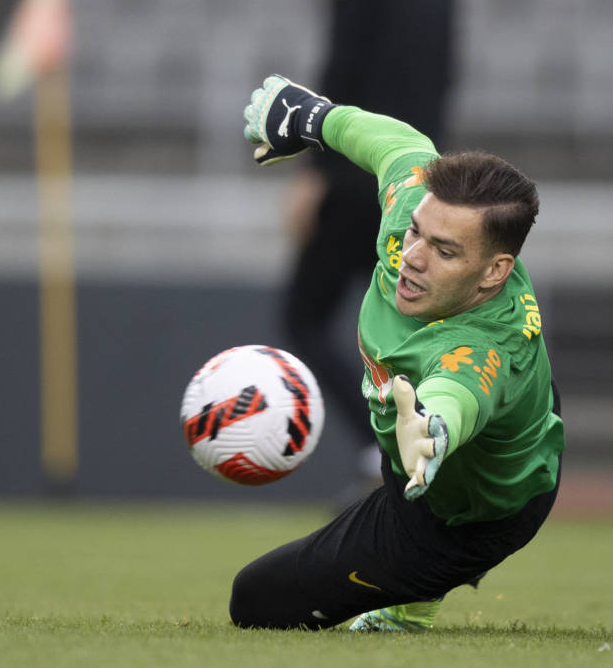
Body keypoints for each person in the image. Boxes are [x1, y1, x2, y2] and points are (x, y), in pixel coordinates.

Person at [230, 76, 565, 631]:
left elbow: (459, 392)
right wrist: (313, 117)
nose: (412, 256)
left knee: (254, 602)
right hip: (463, 431)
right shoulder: (418, 209)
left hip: (470, 517)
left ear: (494, 272)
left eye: (444, 251)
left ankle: (418, 589)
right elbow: (399, 145)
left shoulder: (481, 346)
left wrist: (433, 429)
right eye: (416, 233)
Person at [281, 0, 455, 475]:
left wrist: (315, 171)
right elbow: (444, 77)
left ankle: (382, 450)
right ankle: (422, 447)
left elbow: (346, 65)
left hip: (357, 177)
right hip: (416, 179)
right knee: (402, 329)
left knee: (304, 318)